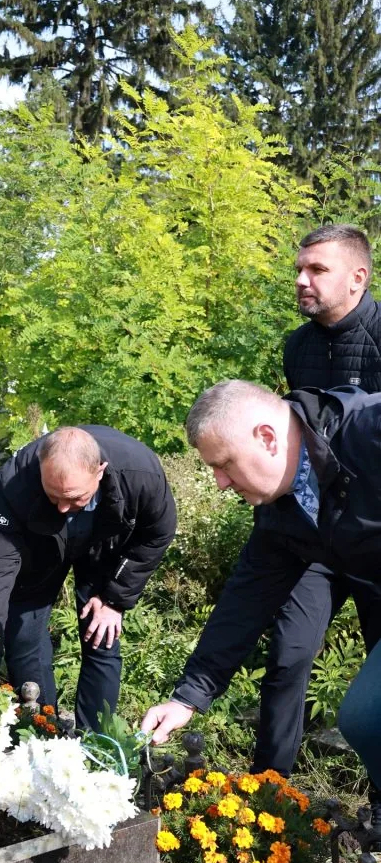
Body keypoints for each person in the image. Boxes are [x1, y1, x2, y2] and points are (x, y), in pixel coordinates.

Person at [140, 379, 381, 832]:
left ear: (267, 438)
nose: (219, 482)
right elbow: (244, 602)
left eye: (224, 464)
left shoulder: (369, 433)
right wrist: (188, 698)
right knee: (367, 717)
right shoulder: (283, 510)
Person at [250, 225, 381, 792]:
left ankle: (377, 800)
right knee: (287, 654)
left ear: (359, 277)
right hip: (312, 538)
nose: (302, 281)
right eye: (299, 270)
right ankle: (269, 791)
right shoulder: (296, 346)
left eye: (317, 270)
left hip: (375, 540)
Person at [0, 425, 176, 730]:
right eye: (54, 495)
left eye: (74, 497)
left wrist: (115, 600)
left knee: (101, 635)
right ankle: (41, 732)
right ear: (41, 468)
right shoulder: (17, 481)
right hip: (41, 543)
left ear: (100, 471)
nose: (64, 507)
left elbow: (158, 533)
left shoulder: (140, 473)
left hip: (106, 539)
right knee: (23, 634)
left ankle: (93, 744)